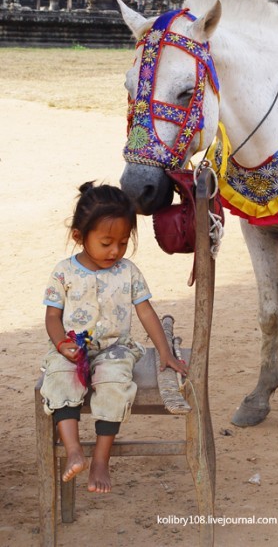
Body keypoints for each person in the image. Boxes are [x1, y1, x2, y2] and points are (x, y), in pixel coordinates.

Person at [40, 182, 187, 493]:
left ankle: (101, 460)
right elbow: (52, 316)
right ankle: (74, 450)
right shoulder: (63, 272)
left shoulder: (128, 272)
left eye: (123, 242)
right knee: (60, 378)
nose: (116, 251)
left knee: (114, 384)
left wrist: (165, 352)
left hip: (116, 349)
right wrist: (61, 345)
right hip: (73, 349)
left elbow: (146, 313)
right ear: (79, 237)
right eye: (106, 242)